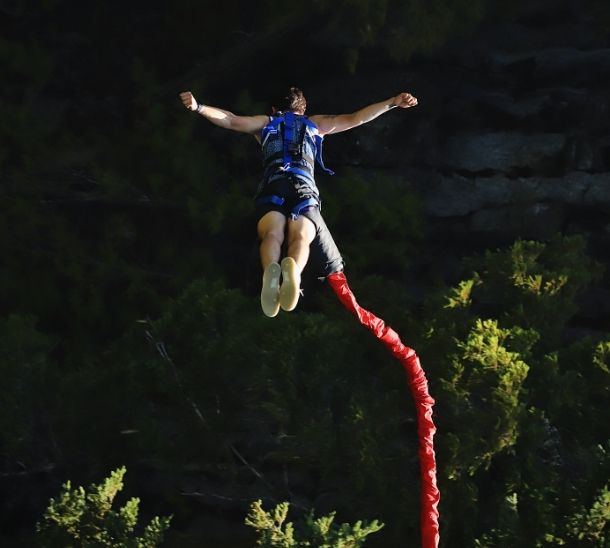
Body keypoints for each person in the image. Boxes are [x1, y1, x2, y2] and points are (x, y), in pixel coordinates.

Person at [179, 87, 418, 317]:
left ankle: (270, 271)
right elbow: (357, 118)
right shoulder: (315, 124)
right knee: (301, 237)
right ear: (303, 110)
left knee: (272, 234)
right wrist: (392, 102)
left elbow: (230, 119)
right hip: (303, 188)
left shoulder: (265, 123)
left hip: (273, 186)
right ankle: (293, 269)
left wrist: (199, 106)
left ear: (274, 109)